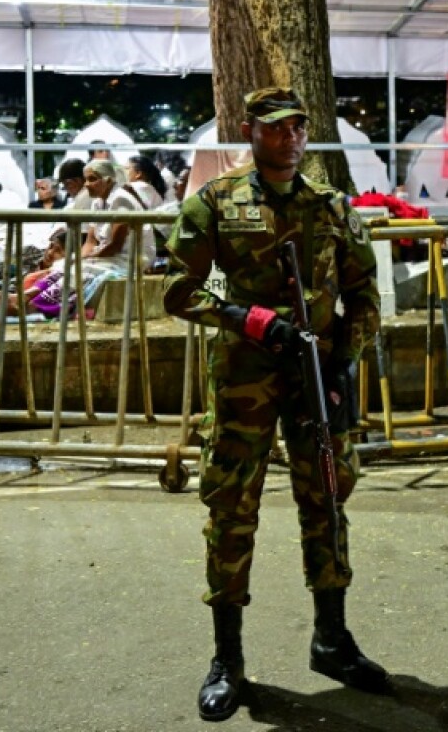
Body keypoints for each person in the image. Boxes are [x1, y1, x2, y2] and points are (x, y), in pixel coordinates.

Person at [163, 86, 388, 721]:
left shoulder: (331, 205)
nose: (288, 137)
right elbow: (178, 288)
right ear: (250, 131)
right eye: (274, 127)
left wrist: (347, 356)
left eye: (296, 127)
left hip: (316, 377)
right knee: (232, 507)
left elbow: (364, 294)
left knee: (328, 498)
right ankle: (227, 658)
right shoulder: (216, 202)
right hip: (245, 377)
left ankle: (332, 639)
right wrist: (248, 318)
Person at [80, 159, 156, 276]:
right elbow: (90, 241)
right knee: (65, 266)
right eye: (86, 179)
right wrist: (81, 258)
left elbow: (116, 246)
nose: (86, 184)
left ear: (108, 181)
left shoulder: (121, 200)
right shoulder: (97, 203)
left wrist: (90, 257)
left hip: (131, 257)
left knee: (81, 272)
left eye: (92, 179)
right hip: (108, 256)